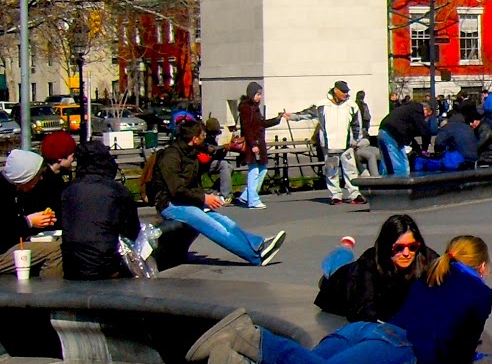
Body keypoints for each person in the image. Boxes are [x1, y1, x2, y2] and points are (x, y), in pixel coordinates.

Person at [190, 234, 492, 364]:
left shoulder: (432, 271)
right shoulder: (480, 293)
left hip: (364, 330)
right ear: (481, 266)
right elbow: (464, 347)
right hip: (400, 347)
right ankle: (253, 338)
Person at [148, 117, 287, 266]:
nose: (205, 138)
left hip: (187, 201)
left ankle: (257, 244)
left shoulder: (191, 150)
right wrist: (203, 198)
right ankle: (256, 257)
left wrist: (229, 147)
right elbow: (176, 190)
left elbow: (212, 151)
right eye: (202, 135)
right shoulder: (171, 157)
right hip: (171, 204)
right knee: (214, 226)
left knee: (225, 222)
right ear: (194, 139)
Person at [316, 214, 439, 322]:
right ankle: (344, 247)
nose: (406, 253)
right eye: (399, 248)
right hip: (344, 284)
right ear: (386, 246)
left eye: (412, 247)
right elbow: (365, 310)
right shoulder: (369, 265)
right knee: (340, 263)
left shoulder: (427, 258)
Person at [60, 140, 141, 280]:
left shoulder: (68, 191)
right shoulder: (117, 191)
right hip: (106, 263)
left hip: (72, 264)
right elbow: (132, 230)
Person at [2, 147, 67, 277]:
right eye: (38, 175)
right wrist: (29, 222)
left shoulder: (15, 192)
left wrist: (39, 221)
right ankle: (50, 293)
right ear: (25, 177)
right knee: (55, 251)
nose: (41, 179)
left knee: (61, 242)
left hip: (9, 247)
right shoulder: (4, 193)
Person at [237, 82, 287, 209]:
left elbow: (262, 123)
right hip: (253, 144)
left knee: (262, 169)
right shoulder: (246, 108)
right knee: (253, 171)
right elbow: (246, 128)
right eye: (257, 94)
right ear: (251, 94)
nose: (259, 97)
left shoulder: (255, 108)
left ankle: (246, 196)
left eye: (260, 94)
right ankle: (253, 200)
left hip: (259, 143)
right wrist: (253, 144)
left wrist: (277, 119)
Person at [317, 81, 365, 205]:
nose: (346, 94)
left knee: (351, 169)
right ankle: (335, 195)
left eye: (347, 91)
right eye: (343, 91)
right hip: (330, 145)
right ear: (335, 91)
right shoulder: (322, 105)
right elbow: (306, 114)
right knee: (332, 170)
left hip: (346, 145)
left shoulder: (351, 106)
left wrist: (356, 139)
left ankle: (354, 194)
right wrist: (292, 117)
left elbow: (357, 124)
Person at [378, 97, 431, 176]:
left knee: (387, 163)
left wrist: (417, 148)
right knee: (398, 162)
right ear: (425, 110)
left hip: (383, 131)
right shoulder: (417, 110)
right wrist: (424, 149)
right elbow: (425, 131)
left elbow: (409, 135)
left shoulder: (407, 110)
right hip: (392, 134)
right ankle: (401, 184)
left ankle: (384, 183)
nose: (426, 118)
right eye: (427, 115)